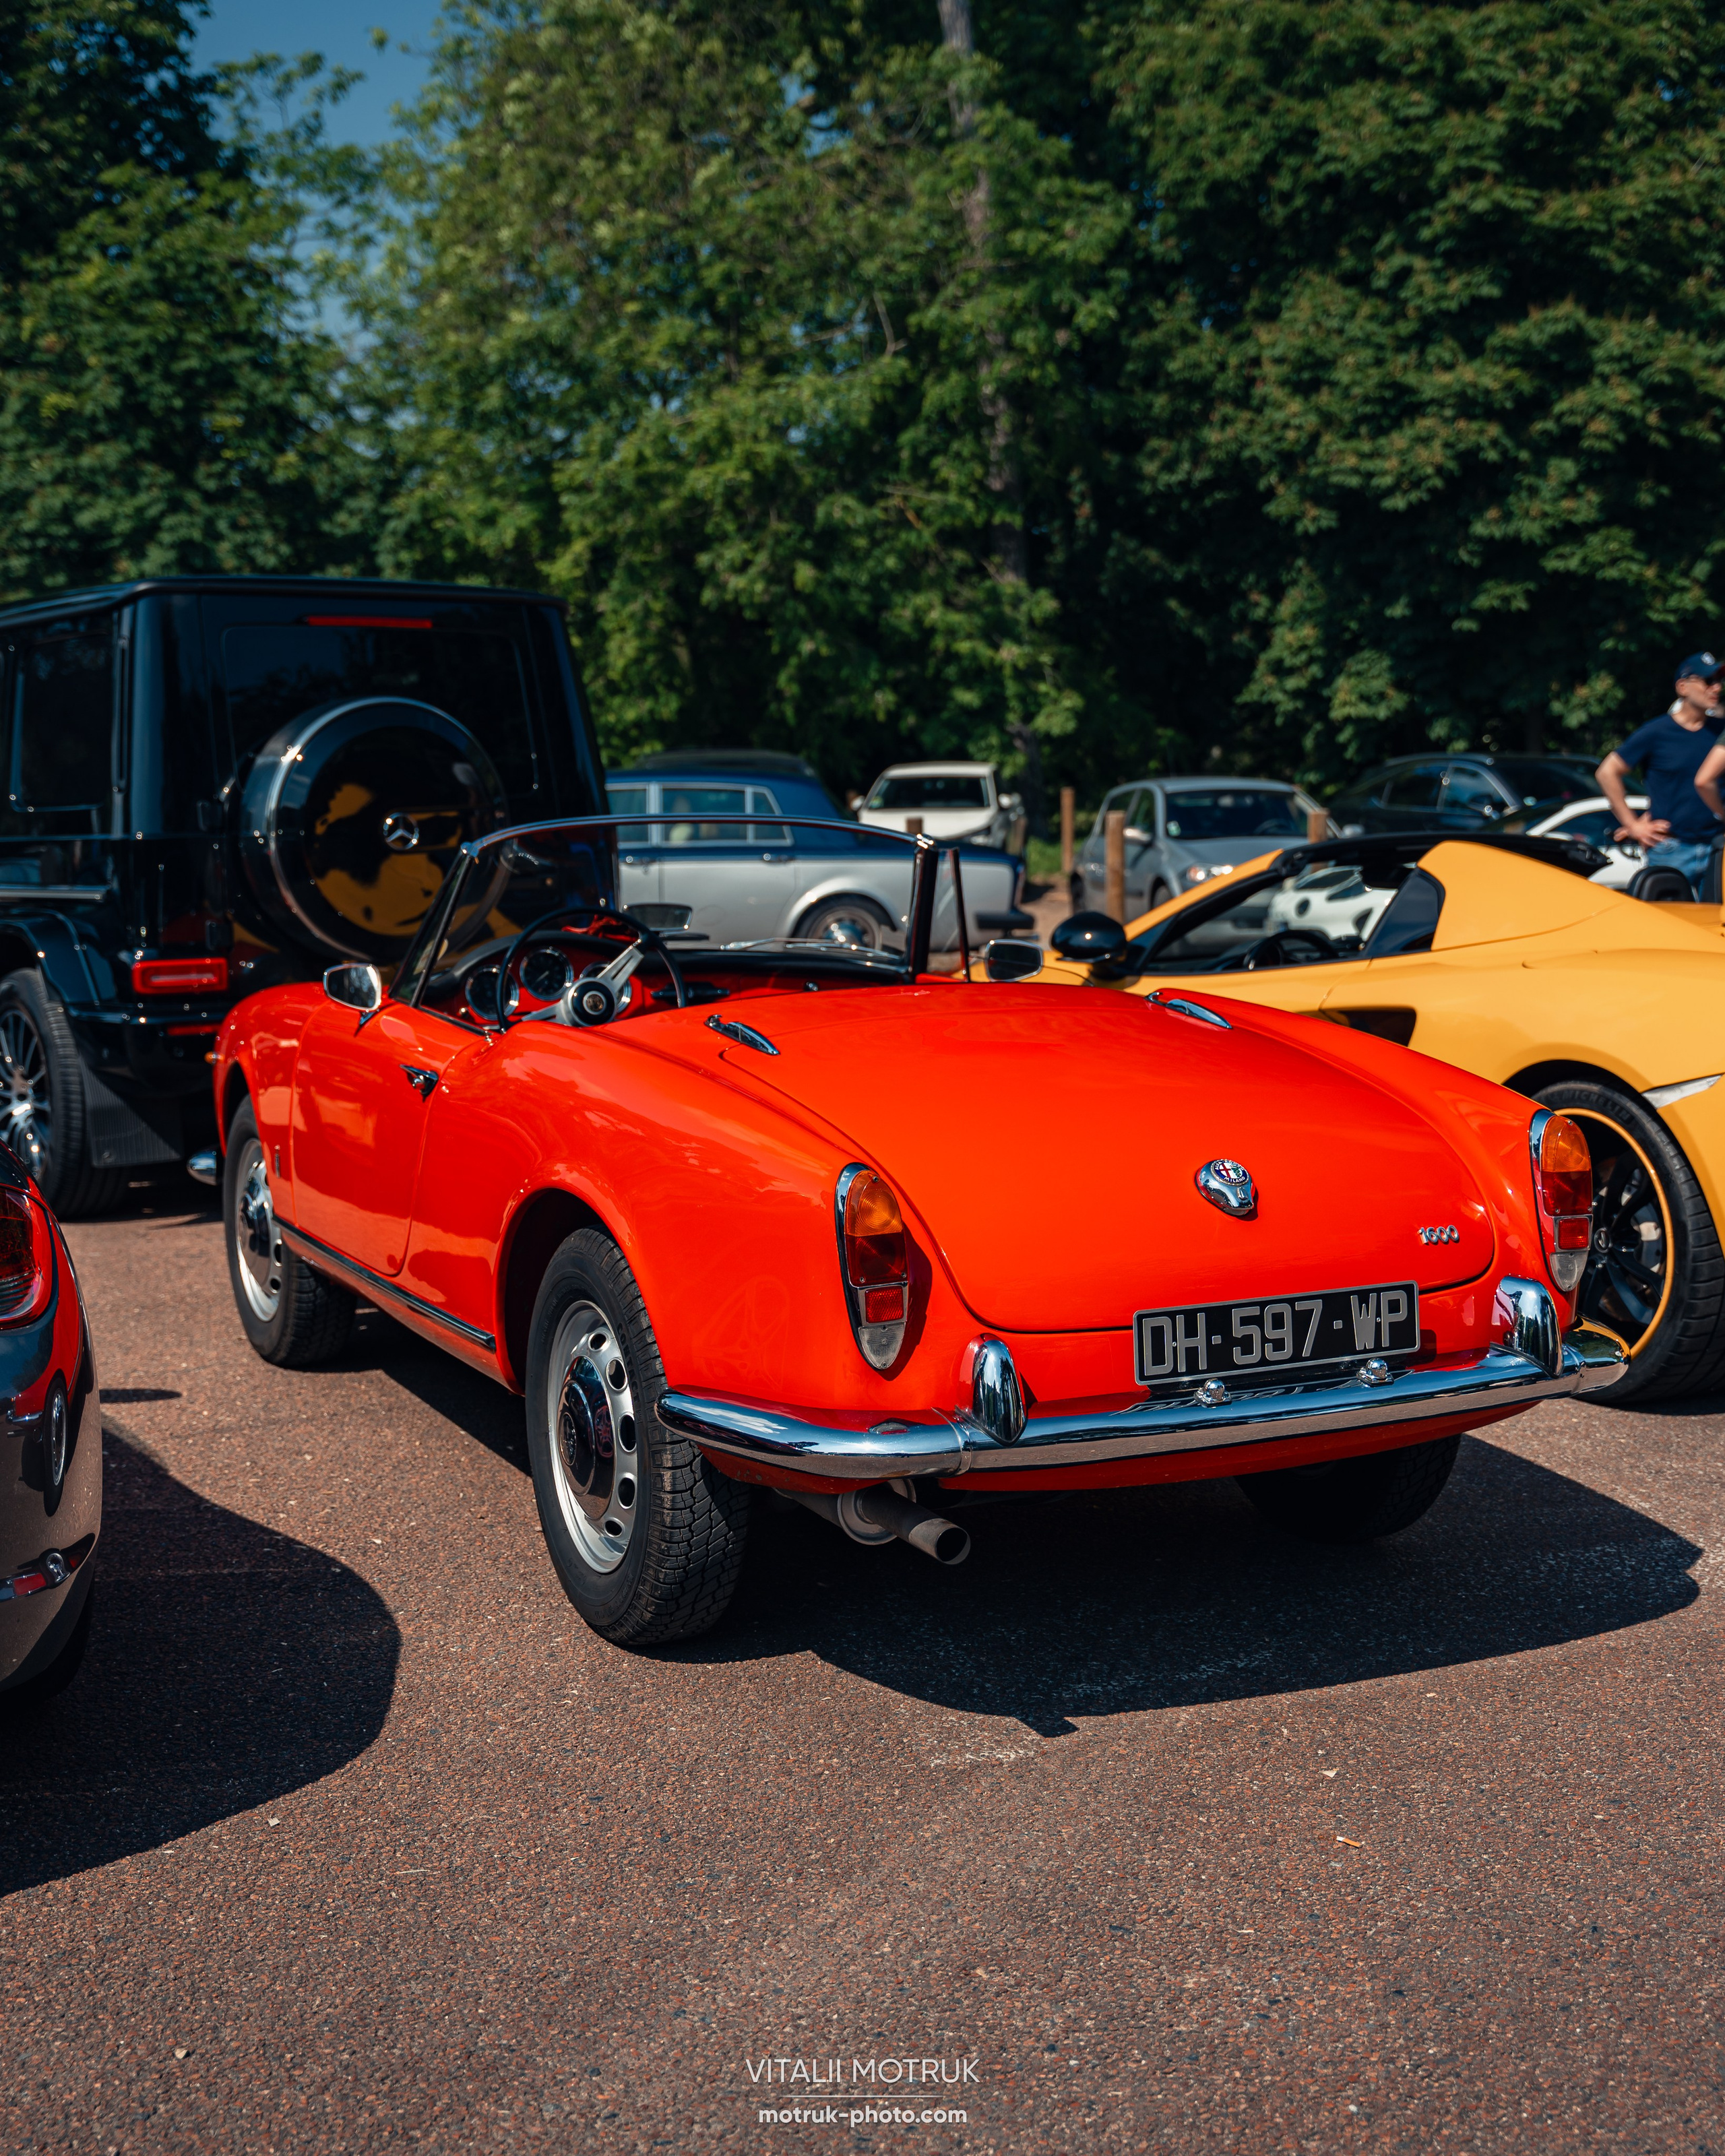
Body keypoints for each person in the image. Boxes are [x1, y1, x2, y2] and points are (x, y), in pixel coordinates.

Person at [1596, 654, 1725, 896]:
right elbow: (1607, 772)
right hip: (1672, 850)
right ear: (1682, 687)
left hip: (1718, 847)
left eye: (1719, 681)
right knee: (1671, 929)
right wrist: (1633, 825)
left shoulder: (1720, 733)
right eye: (1708, 680)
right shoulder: (1657, 732)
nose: (1716, 687)